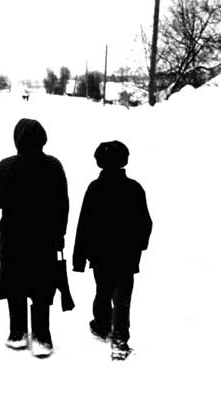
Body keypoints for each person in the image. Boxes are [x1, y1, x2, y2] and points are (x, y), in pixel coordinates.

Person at [0, 118, 69, 358]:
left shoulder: (7, 166)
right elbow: (62, 204)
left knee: (15, 283)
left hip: (13, 237)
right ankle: (42, 337)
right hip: (44, 237)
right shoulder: (53, 166)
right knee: (42, 286)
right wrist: (60, 234)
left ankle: (18, 333)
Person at [72, 140, 152, 360]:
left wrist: (79, 258)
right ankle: (119, 340)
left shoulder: (95, 188)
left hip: (100, 255)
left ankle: (101, 326)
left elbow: (84, 225)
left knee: (102, 291)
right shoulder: (134, 188)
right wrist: (140, 245)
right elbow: (145, 222)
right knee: (122, 298)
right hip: (127, 255)